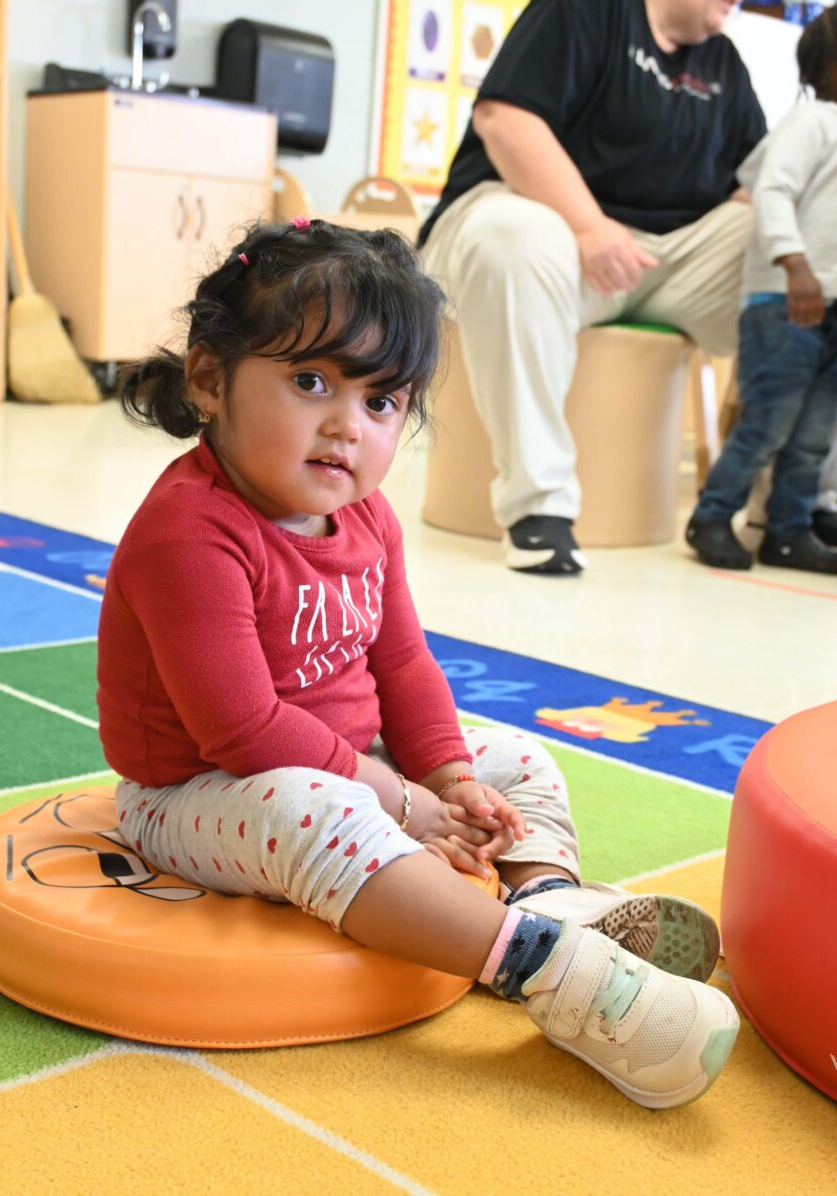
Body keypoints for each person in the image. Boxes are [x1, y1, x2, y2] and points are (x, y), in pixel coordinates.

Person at [97, 218, 738, 1108]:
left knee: (516, 757)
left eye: (380, 402)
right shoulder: (189, 531)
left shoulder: (367, 518)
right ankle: (547, 970)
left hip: (357, 771)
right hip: (199, 792)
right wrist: (398, 799)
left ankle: (547, 899)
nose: (343, 427)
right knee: (309, 803)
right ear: (209, 379)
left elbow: (401, 662)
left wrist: (447, 776)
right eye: (310, 380)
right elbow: (240, 730)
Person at [419, 0, 766, 575]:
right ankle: (539, 508)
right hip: (545, 226)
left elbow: (760, 179)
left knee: (797, 246)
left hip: (669, 259)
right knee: (515, 238)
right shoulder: (584, 10)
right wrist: (588, 226)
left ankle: (794, 506)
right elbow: (505, 120)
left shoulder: (725, 63)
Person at [686, 8, 837, 573]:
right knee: (767, 425)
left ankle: (789, 531)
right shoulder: (813, 120)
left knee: (815, 434)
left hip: (830, 308)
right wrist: (794, 266)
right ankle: (712, 515)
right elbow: (769, 187)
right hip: (785, 302)